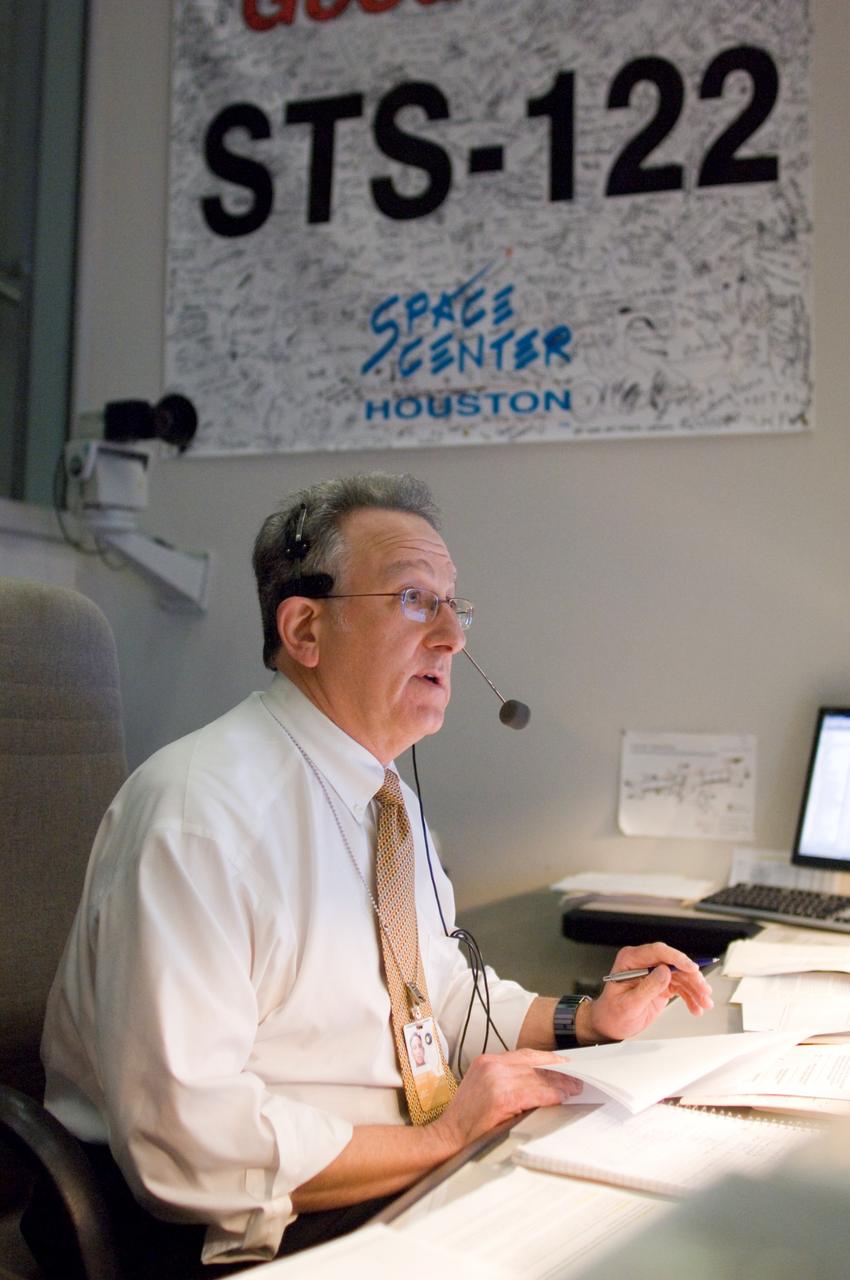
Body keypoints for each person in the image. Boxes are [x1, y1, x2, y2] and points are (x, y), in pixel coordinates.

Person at [36, 473, 713, 1277]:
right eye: (414, 600)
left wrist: (587, 1019)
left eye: (453, 606)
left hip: (386, 1173)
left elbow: (435, 998)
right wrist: (444, 1137)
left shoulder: (383, 800)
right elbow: (188, 1147)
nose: (454, 638)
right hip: (230, 1231)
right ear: (305, 629)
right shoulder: (200, 816)